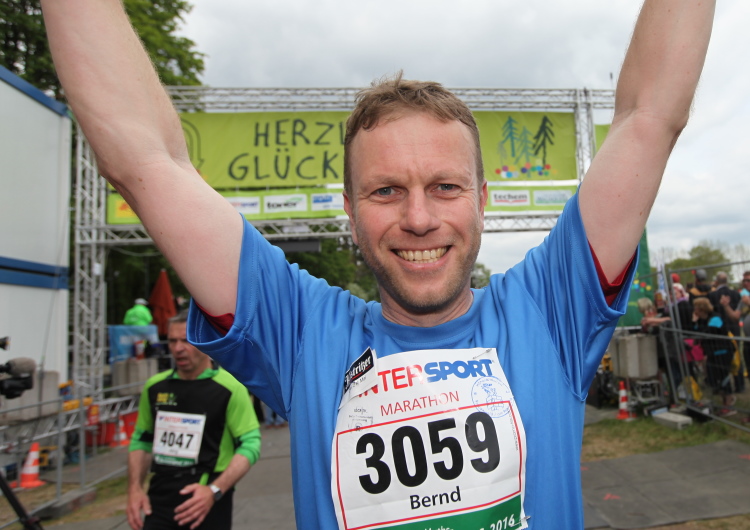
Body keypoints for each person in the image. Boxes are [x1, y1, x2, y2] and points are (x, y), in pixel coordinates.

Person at [41, 1, 714, 528]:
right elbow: (145, 160)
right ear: (350, 210)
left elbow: (649, 114)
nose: (419, 218)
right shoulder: (302, 330)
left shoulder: (549, 310)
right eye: (386, 191)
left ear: (482, 200)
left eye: (445, 187)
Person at [127, 311, 260, 529]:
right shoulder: (154, 387)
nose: (178, 348)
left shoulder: (230, 387)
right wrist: (135, 490)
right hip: (160, 499)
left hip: (207, 499)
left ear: (203, 341)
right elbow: (141, 441)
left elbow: (251, 443)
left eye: (186, 341)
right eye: (172, 341)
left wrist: (214, 490)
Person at [692, 297, 735, 416]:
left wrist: (697, 325)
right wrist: (695, 322)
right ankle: (725, 400)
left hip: (723, 352)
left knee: (723, 377)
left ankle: (729, 403)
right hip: (712, 353)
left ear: (701, 309)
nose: (694, 310)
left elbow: (708, 333)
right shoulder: (702, 320)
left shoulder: (715, 318)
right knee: (713, 378)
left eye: (696, 308)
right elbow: (695, 332)